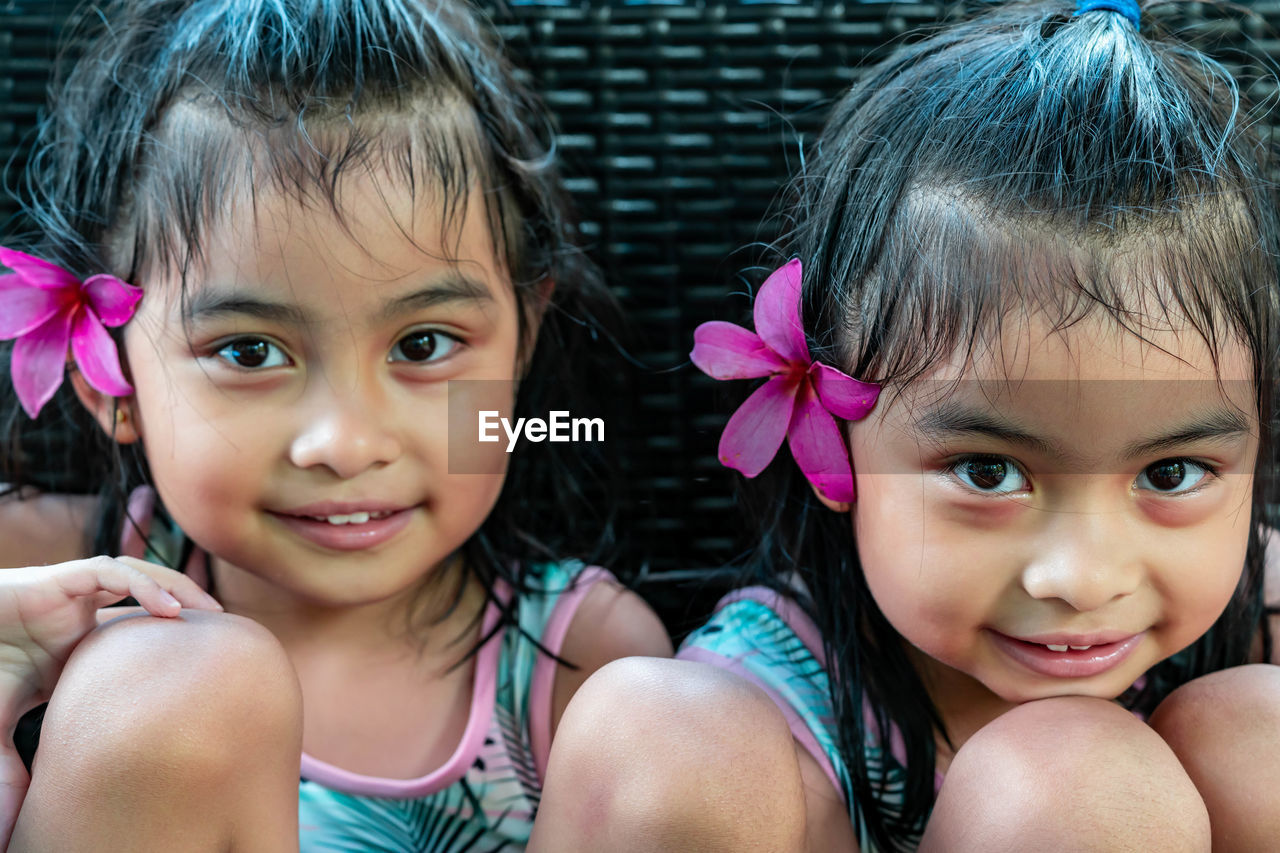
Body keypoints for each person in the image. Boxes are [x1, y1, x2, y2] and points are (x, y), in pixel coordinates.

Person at [528, 1, 1280, 851]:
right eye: (988, 471)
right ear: (834, 443)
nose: (1082, 577)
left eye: (1172, 473)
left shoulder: (1245, 619)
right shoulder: (735, 744)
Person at [0, 0, 672, 849]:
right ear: (108, 378)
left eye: (425, 344)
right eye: (249, 352)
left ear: (524, 339)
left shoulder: (583, 665)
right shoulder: (44, 588)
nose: (348, 443)